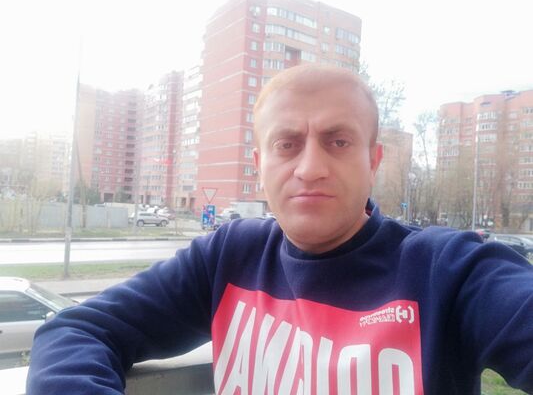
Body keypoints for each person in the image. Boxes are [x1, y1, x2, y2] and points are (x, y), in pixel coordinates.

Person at [27, 65, 533, 394]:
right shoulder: (229, 257)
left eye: (338, 141)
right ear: (259, 164)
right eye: (287, 144)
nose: (309, 168)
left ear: (373, 160)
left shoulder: (449, 271)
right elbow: (77, 329)